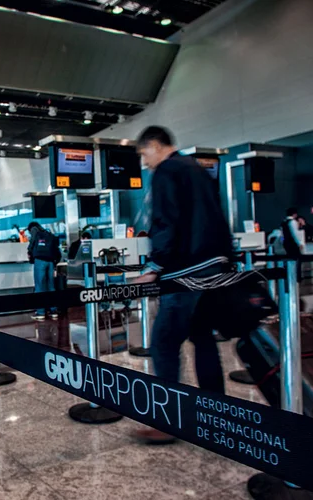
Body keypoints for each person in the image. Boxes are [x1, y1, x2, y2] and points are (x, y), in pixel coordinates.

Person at [132, 126, 233, 444]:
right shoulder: (198, 170)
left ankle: (167, 421)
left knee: (163, 343)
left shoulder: (166, 171)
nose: (145, 162)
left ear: (156, 145)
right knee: (203, 340)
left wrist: (153, 266)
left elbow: (167, 221)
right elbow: (216, 217)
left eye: (144, 153)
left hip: (185, 272)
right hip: (213, 269)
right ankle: (218, 414)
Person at [27, 221, 61, 320]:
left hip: (40, 261)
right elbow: (57, 250)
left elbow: (32, 241)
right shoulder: (48, 234)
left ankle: (41, 312)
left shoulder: (34, 229)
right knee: (51, 286)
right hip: (50, 261)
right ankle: (53, 310)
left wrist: (29, 251)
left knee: (39, 286)